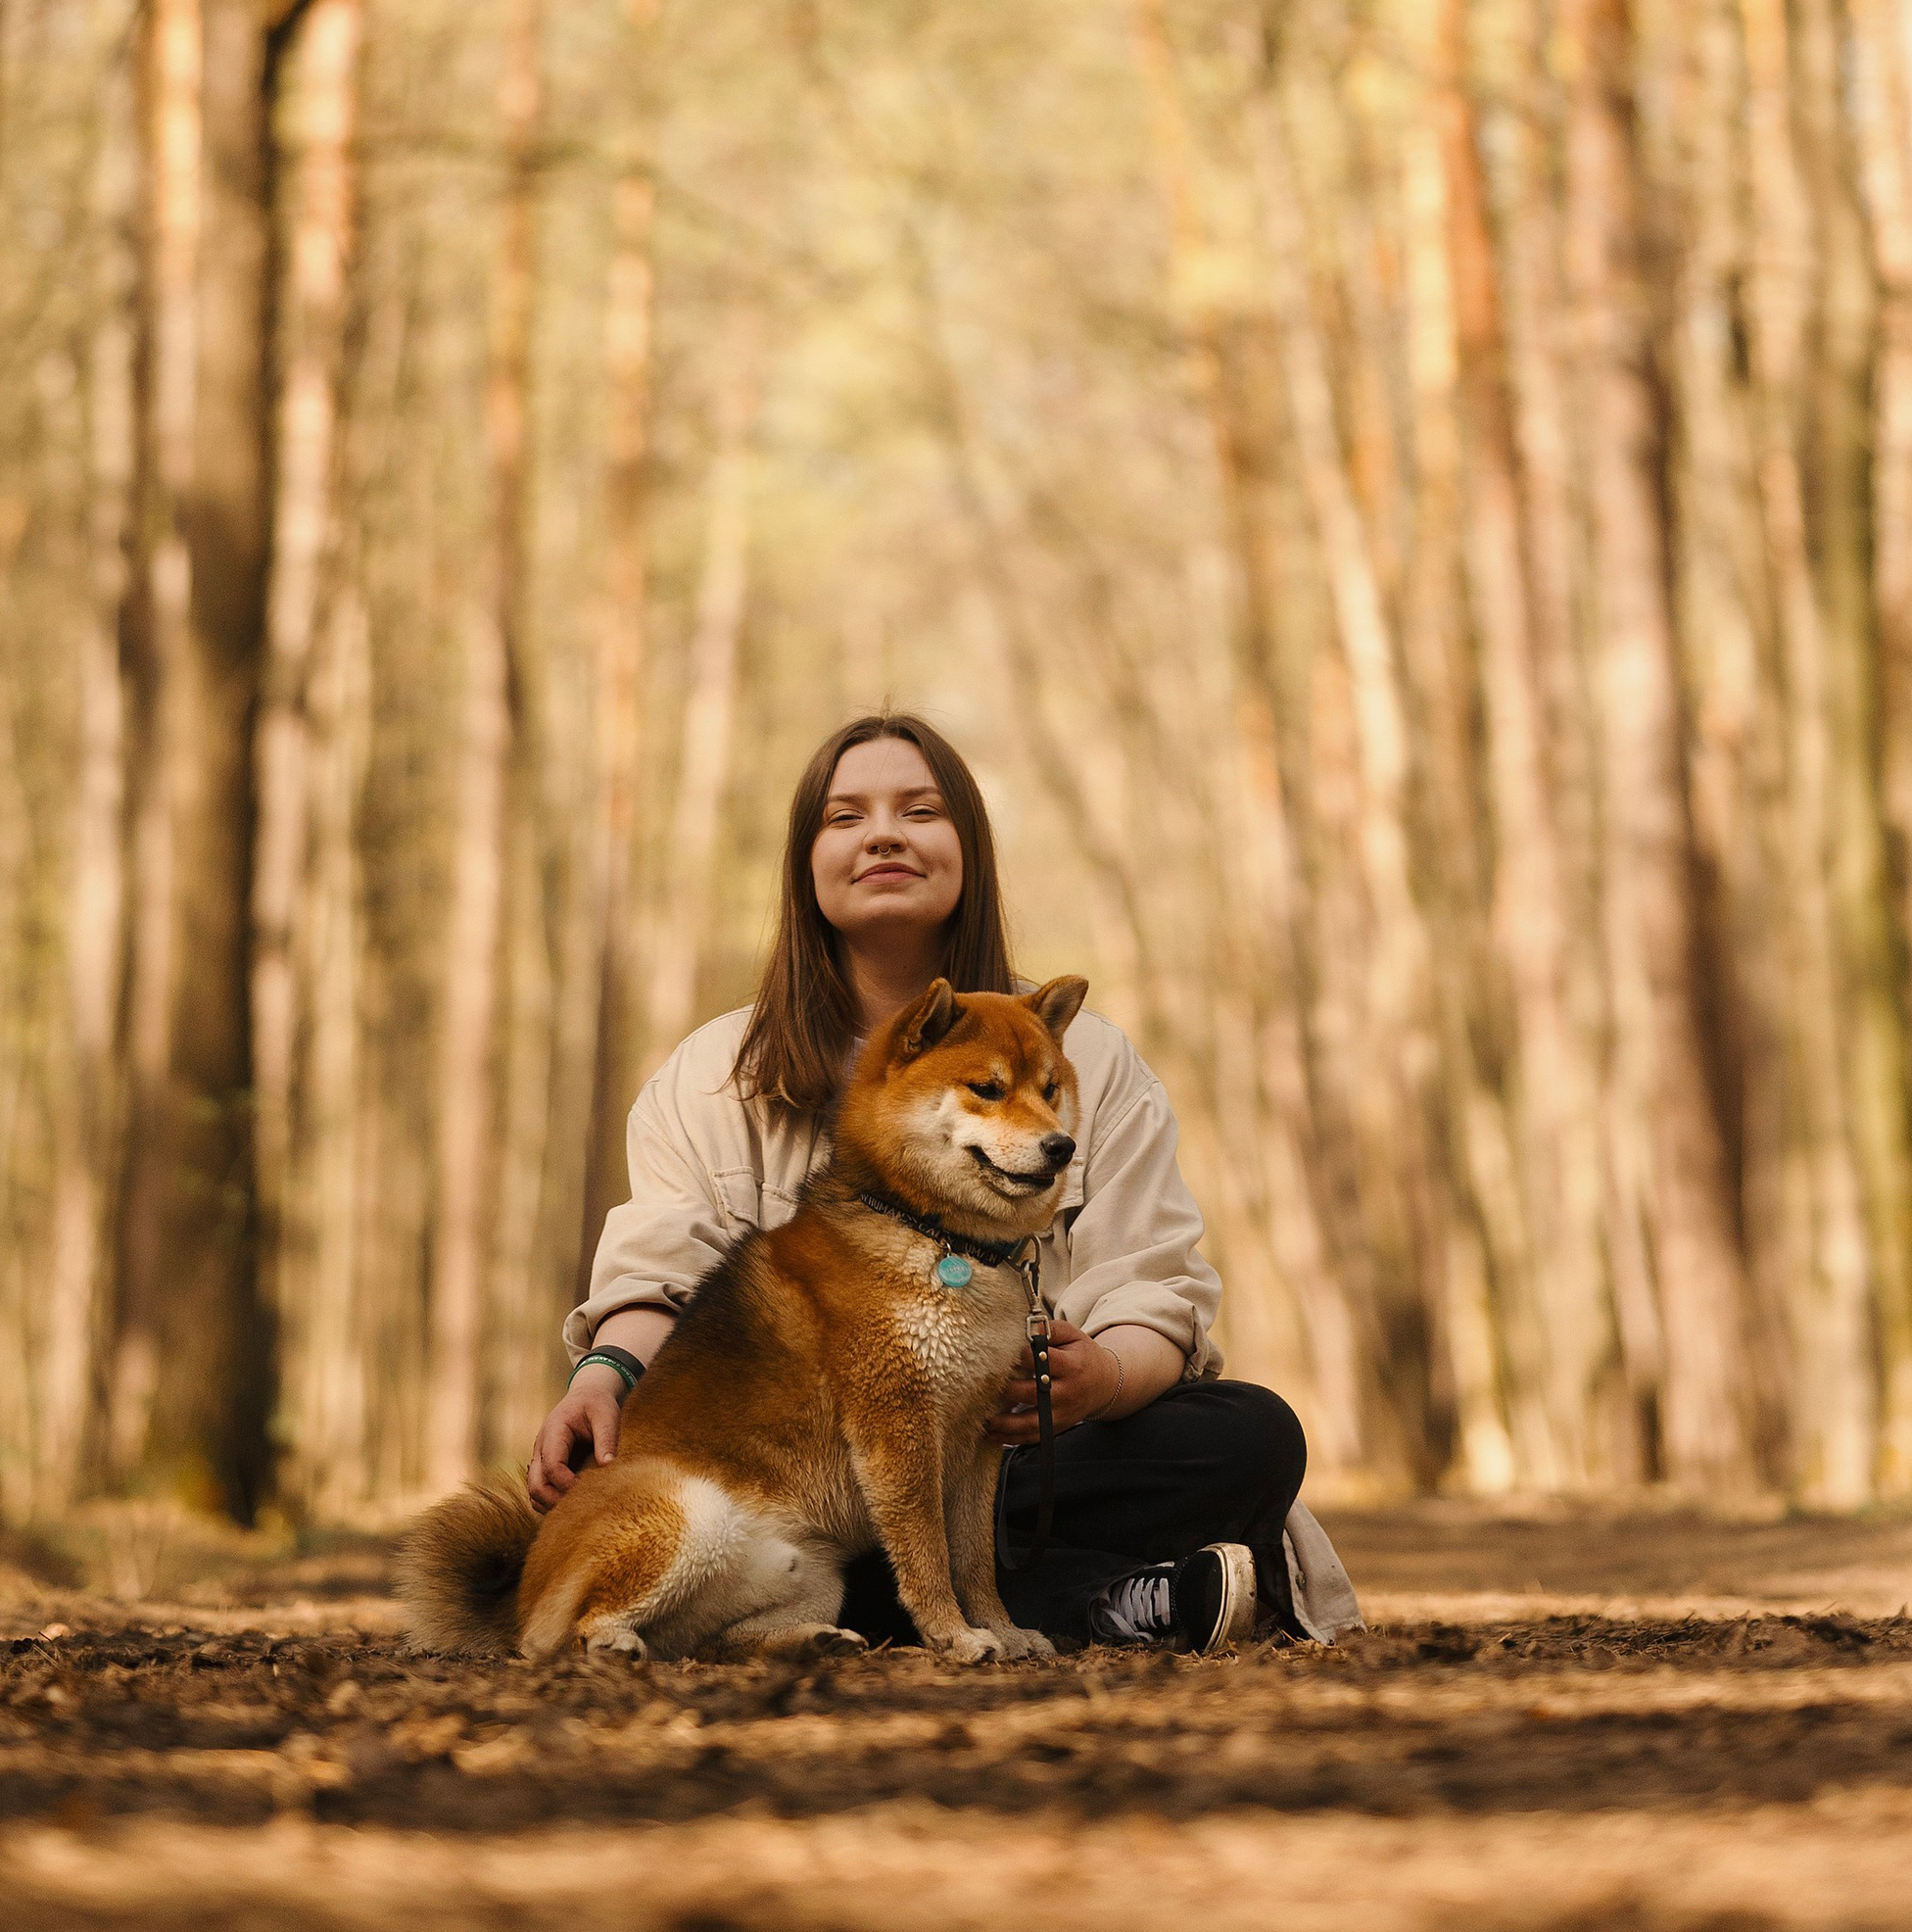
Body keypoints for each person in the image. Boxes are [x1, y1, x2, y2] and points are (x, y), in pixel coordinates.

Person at [527, 708, 1362, 1652]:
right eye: (845, 818)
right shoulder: (716, 1069)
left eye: (920, 810)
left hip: (1033, 1462)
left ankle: (959, 1601)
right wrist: (602, 1375)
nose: (884, 833)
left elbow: (1155, 1284)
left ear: (969, 848)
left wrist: (1104, 1378)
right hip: (796, 1484)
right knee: (853, 1487)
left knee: (1247, 1433)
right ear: (807, 865)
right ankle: (1112, 1604)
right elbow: (661, 1270)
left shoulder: (1087, 1054)